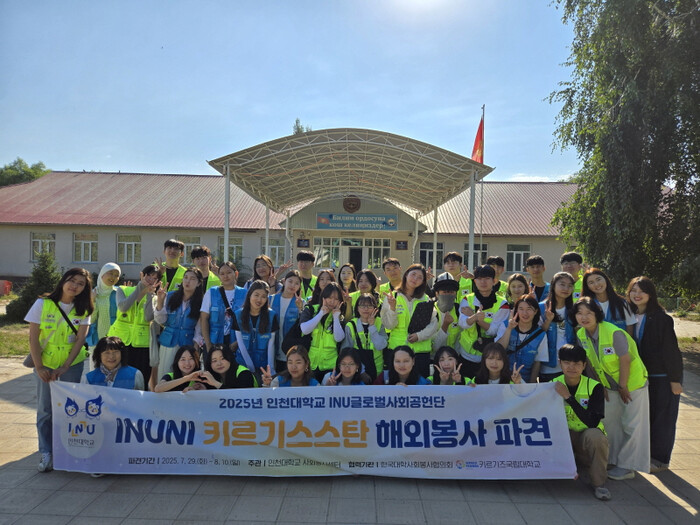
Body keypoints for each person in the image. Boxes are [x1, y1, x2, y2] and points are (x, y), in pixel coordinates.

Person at [572, 297, 650, 479]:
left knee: (632, 425)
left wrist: (623, 386)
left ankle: (628, 467)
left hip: (632, 385)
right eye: (579, 313)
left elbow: (625, 360)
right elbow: (589, 364)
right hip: (609, 386)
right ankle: (612, 460)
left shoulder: (613, 332)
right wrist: (599, 386)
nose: (584, 317)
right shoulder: (581, 334)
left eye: (588, 313)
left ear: (597, 314)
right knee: (610, 423)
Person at [25, 267, 93, 472]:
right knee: (45, 409)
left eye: (81, 284)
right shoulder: (42, 304)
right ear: (63, 281)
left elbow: (80, 339)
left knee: (69, 410)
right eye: (72, 280)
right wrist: (39, 367)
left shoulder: (84, 309)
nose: (75, 286)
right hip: (45, 363)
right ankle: (46, 452)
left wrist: (65, 366)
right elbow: (33, 338)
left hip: (72, 365)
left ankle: (66, 451)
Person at [627, 276, 683, 472]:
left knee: (663, 419)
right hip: (639, 377)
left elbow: (671, 350)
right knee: (646, 418)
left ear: (650, 294)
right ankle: (644, 456)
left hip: (662, 377)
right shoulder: (628, 317)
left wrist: (675, 380)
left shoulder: (661, 319)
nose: (637, 294)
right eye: (634, 290)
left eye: (642, 291)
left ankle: (660, 459)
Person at [553, 344, 611, 501]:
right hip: (564, 436)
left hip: (586, 436)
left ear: (584, 365)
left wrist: (568, 398)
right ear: (560, 363)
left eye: (577, 364)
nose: (571, 367)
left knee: (596, 437)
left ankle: (599, 484)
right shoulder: (552, 384)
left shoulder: (595, 387)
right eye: (567, 363)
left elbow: (592, 422)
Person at [108, 264, 162, 390]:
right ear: (142, 275)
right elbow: (123, 307)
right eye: (149, 276)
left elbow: (148, 317)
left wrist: (149, 294)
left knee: (141, 379)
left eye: (155, 278)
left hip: (142, 345)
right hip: (120, 342)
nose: (151, 280)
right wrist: (139, 288)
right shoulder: (123, 290)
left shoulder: (155, 298)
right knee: (119, 379)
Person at [381, 263, 438, 378]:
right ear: (406, 275)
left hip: (421, 353)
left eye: (420, 277)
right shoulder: (392, 297)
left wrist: (419, 336)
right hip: (398, 352)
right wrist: (392, 308)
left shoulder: (426, 299)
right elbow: (389, 326)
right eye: (413, 274)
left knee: (420, 385)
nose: (415, 279)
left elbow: (434, 324)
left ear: (423, 281)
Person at [457, 265, 510, 378]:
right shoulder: (466, 299)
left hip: (490, 359)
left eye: (487, 278)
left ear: (494, 281)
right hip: (466, 355)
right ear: (475, 281)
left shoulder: (502, 304)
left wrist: (475, 318)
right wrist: (475, 317)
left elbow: (494, 331)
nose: (483, 282)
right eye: (479, 279)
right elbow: (462, 323)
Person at [151, 267, 204, 377]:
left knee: (185, 375)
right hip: (168, 342)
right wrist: (160, 302)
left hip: (187, 343)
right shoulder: (170, 296)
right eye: (185, 277)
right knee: (165, 373)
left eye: (192, 279)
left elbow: (199, 328)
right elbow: (161, 320)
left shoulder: (201, 302)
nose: (187, 281)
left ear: (199, 283)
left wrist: (195, 347)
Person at [199, 261, 247, 359]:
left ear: (236, 274)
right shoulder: (211, 292)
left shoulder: (245, 294)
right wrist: (208, 345)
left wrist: (238, 342)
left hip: (237, 344)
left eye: (229, 272)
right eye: (222, 274)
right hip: (214, 341)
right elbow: (204, 319)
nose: (226, 276)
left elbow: (248, 321)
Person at [232, 280, 279, 379]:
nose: (259, 299)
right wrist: (250, 368)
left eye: (263, 296)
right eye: (256, 295)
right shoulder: (238, 315)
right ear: (249, 295)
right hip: (243, 364)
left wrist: (270, 369)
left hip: (263, 365)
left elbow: (271, 345)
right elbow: (241, 344)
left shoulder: (272, 315)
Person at [496, 295, 548, 383]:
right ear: (516, 310)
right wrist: (509, 329)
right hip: (503, 380)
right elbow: (498, 350)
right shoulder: (505, 325)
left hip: (525, 381)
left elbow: (537, 362)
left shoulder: (540, 334)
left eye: (529, 309)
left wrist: (531, 385)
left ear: (535, 311)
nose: (525, 313)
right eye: (521, 309)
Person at [300, 282, 345, 381]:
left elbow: (339, 338)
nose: (332, 301)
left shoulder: (339, 315)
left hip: (331, 367)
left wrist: (336, 317)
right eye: (329, 297)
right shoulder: (311, 309)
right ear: (323, 297)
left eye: (336, 299)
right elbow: (305, 330)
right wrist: (321, 313)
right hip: (309, 365)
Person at [539, 272, 577, 382]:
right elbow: (537, 334)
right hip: (548, 366)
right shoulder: (541, 307)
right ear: (553, 285)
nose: (566, 288)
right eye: (562, 284)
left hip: (570, 364)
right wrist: (548, 321)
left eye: (570, 286)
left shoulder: (574, 309)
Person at [343, 292, 387, 381]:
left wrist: (372, 326)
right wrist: (361, 371)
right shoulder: (351, 325)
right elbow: (346, 352)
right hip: (356, 370)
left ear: (375, 308)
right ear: (357, 308)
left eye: (369, 306)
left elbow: (381, 345)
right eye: (362, 306)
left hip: (377, 370)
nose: (366, 309)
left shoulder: (380, 322)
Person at [85, 263, 121, 371]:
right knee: (97, 370)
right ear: (102, 274)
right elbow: (91, 319)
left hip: (116, 338)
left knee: (116, 371)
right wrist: (92, 301)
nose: (113, 277)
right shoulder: (93, 293)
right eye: (110, 273)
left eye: (116, 275)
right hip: (98, 339)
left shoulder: (119, 293)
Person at [582, 268, 636, 335]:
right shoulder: (587, 306)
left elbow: (630, 326)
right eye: (591, 282)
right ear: (587, 286)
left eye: (598, 279)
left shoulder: (622, 303)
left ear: (605, 279)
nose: (596, 284)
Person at [269, 270, 304, 372]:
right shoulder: (271, 299)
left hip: (291, 352)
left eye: (297, 283)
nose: (293, 285)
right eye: (290, 281)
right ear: (284, 282)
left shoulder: (301, 303)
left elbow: (303, 326)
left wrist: (300, 309)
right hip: (272, 349)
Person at [431, 273, 463, 356]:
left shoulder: (459, 311)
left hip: (454, 359)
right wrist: (445, 326)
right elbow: (434, 346)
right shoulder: (431, 311)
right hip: (434, 358)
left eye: (451, 292)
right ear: (437, 293)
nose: (448, 295)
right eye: (444, 292)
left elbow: (460, 340)